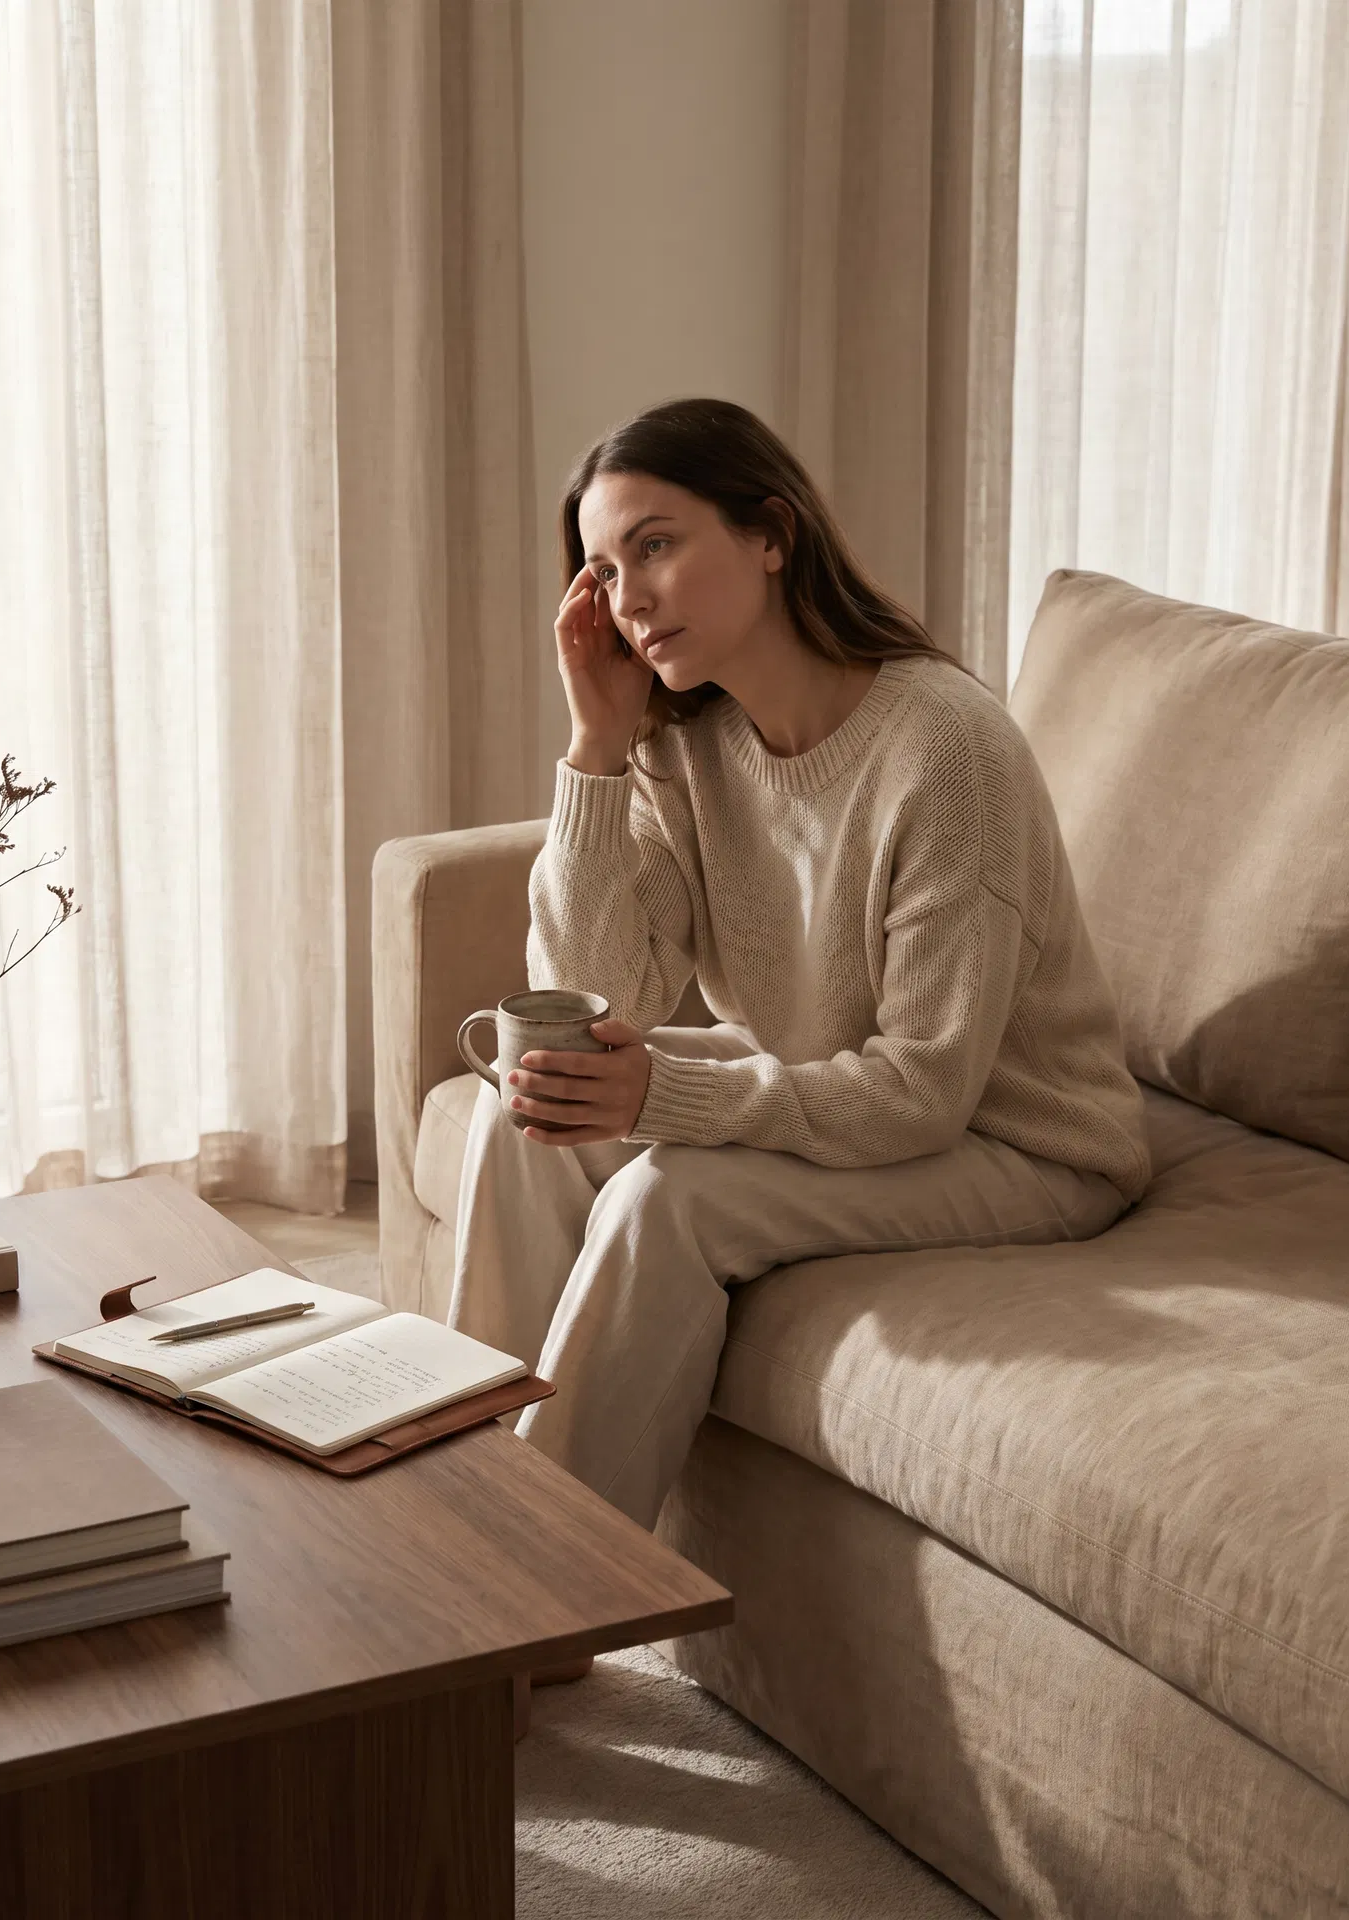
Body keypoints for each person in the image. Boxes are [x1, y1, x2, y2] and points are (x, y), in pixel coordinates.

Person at [449, 395, 1150, 1547]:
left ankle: (546, 1592)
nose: (627, 598)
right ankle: (465, 1506)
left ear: (770, 535)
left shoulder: (945, 752)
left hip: (1016, 1141)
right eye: (602, 569)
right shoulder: (687, 741)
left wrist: (666, 1095)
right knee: (529, 1111)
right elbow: (596, 1000)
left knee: (667, 1199)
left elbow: (923, 1091)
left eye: (656, 546)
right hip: (825, 1073)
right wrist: (595, 750)